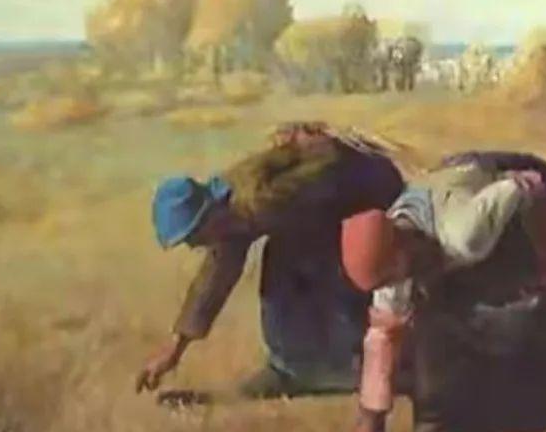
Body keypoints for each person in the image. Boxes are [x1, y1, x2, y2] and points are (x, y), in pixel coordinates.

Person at [338, 150, 546, 432]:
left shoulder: (463, 233)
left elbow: (530, 185)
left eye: (394, 275)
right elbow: (384, 337)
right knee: (444, 312)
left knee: (542, 305)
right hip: (467, 192)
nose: (393, 284)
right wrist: (370, 425)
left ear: (406, 245)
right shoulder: (394, 262)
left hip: (528, 189)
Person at [136, 123, 403, 400]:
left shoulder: (262, 200)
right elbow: (214, 280)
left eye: (192, 235)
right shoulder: (229, 214)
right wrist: (175, 350)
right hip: (322, 212)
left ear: (207, 216)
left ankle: (352, 365)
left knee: (316, 270)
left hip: (369, 189)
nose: (193, 245)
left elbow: (331, 163)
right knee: (284, 270)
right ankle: (294, 366)